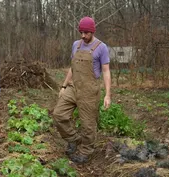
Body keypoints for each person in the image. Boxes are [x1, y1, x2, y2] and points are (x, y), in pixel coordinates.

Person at [52, 17, 111, 164]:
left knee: (88, 124)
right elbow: (73, 68)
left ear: (92, 31)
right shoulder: (76, 45)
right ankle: (73, 139)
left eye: (86, 33)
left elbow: (106, 71)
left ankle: (86, 151)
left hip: (89, 91)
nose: (83, 35)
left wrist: (108, 95)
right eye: (81, 32)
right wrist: (64, 86)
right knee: (58, 115)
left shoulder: (101, 47)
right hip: (73, 88)